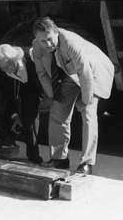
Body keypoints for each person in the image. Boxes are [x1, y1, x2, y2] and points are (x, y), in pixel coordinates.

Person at [32, 17, 114, 175]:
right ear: (36, 38)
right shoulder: (37, 46)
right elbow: (41, 73)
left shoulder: (70, 42)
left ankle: (87, 163)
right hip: (71, 73)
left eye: (50, 39)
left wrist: (85, 100)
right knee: (57, 112)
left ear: (56, 32)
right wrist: (53, 95)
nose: (47, 44)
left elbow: (85, 74)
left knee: (88, 114)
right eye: (43, 41)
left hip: (94, 71)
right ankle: (59, 159)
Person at [0, 44, 44, 164]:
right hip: (15, 92)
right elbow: (6, 96)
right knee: (6, 112)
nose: (7, 70)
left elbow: (41, 84)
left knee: (31, 120)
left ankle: (34, 156)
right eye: (3, 68)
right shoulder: (2, 72)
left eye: (9, 65)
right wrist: (15, 115)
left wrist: (45, 98)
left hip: (34, 89)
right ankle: (5, 146)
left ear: (14, 59)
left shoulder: (31, 61)